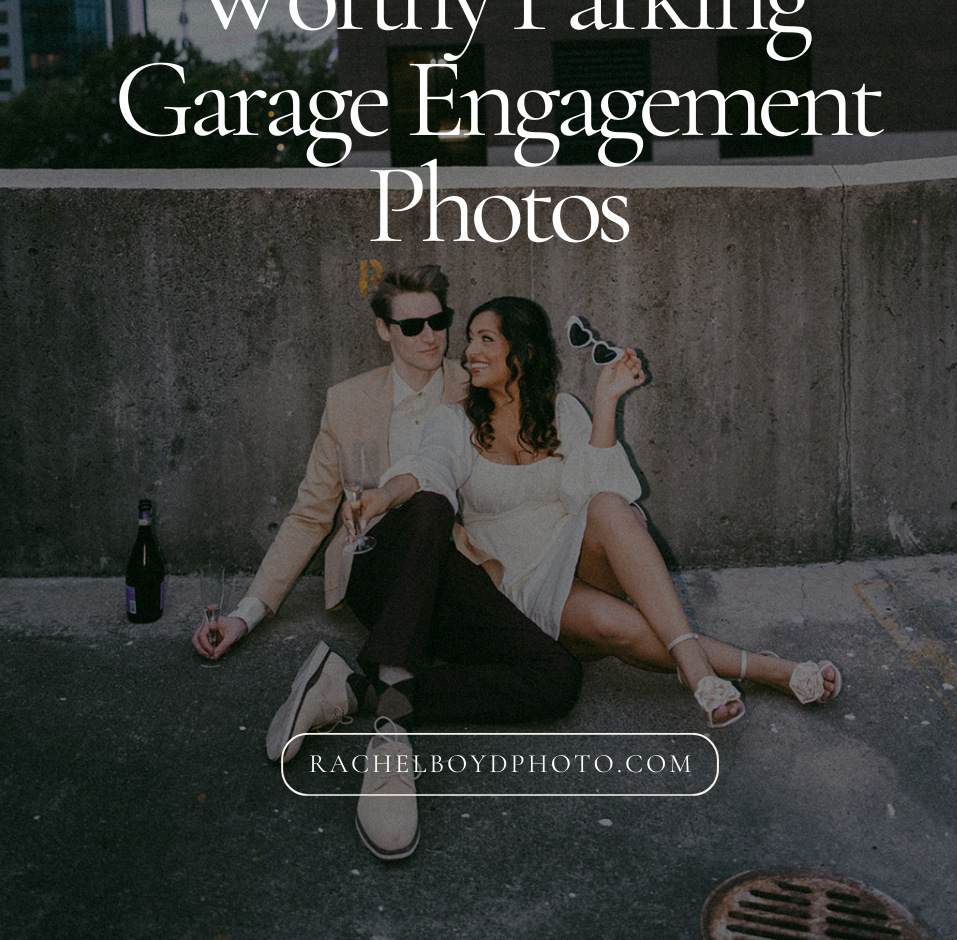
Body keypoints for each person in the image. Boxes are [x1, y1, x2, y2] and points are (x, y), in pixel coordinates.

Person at [191, 268, 582, 862]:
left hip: (455, 575)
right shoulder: (347, 403)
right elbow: (308, 515)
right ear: (383, 330)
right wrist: (247, 613)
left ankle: (355, 690)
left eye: (441, 321)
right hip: (375, 567)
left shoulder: (477, 382)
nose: (434, 337)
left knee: (558, 679)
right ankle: (393, 737)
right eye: (413, 325)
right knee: (424, 502)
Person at [356, 296, 841, 731]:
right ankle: (772, 669)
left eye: (486, 340)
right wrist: (386, 494)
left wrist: (605, 401)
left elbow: (591, 494)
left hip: (577, 545)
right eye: (470, 341)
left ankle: (696, 670)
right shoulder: (453, 419)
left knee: (608, 505)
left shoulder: (563, 410)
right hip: (522, 577)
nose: (469, 353)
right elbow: (431, 468)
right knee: (623, 628)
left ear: (522, 352)